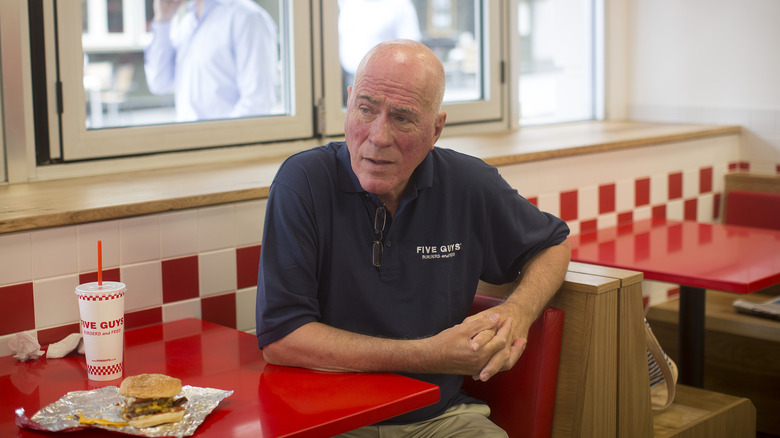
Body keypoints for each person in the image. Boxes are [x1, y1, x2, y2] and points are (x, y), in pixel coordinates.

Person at [256, 40, 570, 437]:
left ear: (435, 128)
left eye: (402, 118)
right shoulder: (302, 183)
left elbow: (553, 243)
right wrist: (432, 354)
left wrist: (519, 313)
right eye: (366, 109)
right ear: (350, 103)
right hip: (328, 418)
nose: (378, 136)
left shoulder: (469, 185)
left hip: (439, 418)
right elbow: (282, 339)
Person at [144, 0, 277, 121]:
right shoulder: (188, 22)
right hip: (192, 142)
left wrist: (214, 141)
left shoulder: (247, 17)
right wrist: (163, 20)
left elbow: (257, 104)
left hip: (221, 144)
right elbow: (159, 83)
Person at [338, 0, 422, 103]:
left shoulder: (401, 5)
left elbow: (412, 51)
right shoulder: (347, 3)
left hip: (383, 87)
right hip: (347, 80)